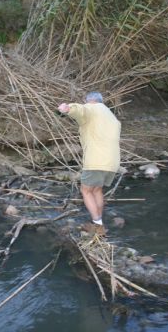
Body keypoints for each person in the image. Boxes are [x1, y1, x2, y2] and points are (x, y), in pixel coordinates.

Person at [57, 91, 121, 236]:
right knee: (97, 190)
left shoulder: (91, 109)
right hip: (112, 161)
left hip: (96, 160)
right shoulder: (111, 116)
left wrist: (68, 108)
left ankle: (98, 226)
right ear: (101, 101)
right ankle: (99, 222)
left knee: (86, 190)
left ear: (89, 100)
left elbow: (81, 110)